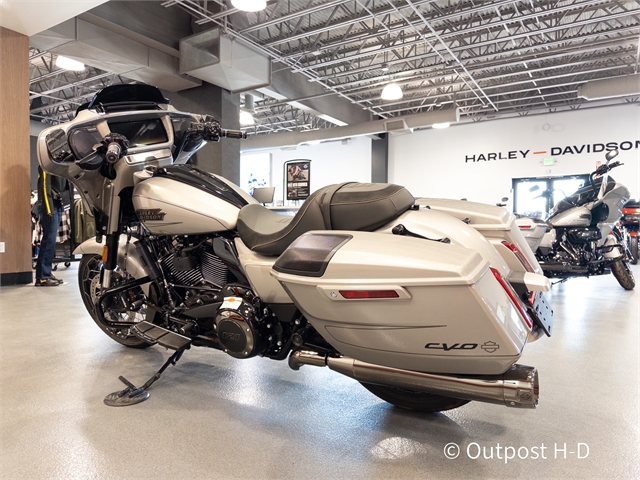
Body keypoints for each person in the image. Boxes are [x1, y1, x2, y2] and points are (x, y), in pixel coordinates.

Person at [34, 166, 67, 286]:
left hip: (56, 203)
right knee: (48, 240)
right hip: (49, 205)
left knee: (50, 241)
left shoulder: (56, 165)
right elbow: (44, 187)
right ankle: (42, 277)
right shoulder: (45, 166)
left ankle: (45, 273)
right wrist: (49, 209)